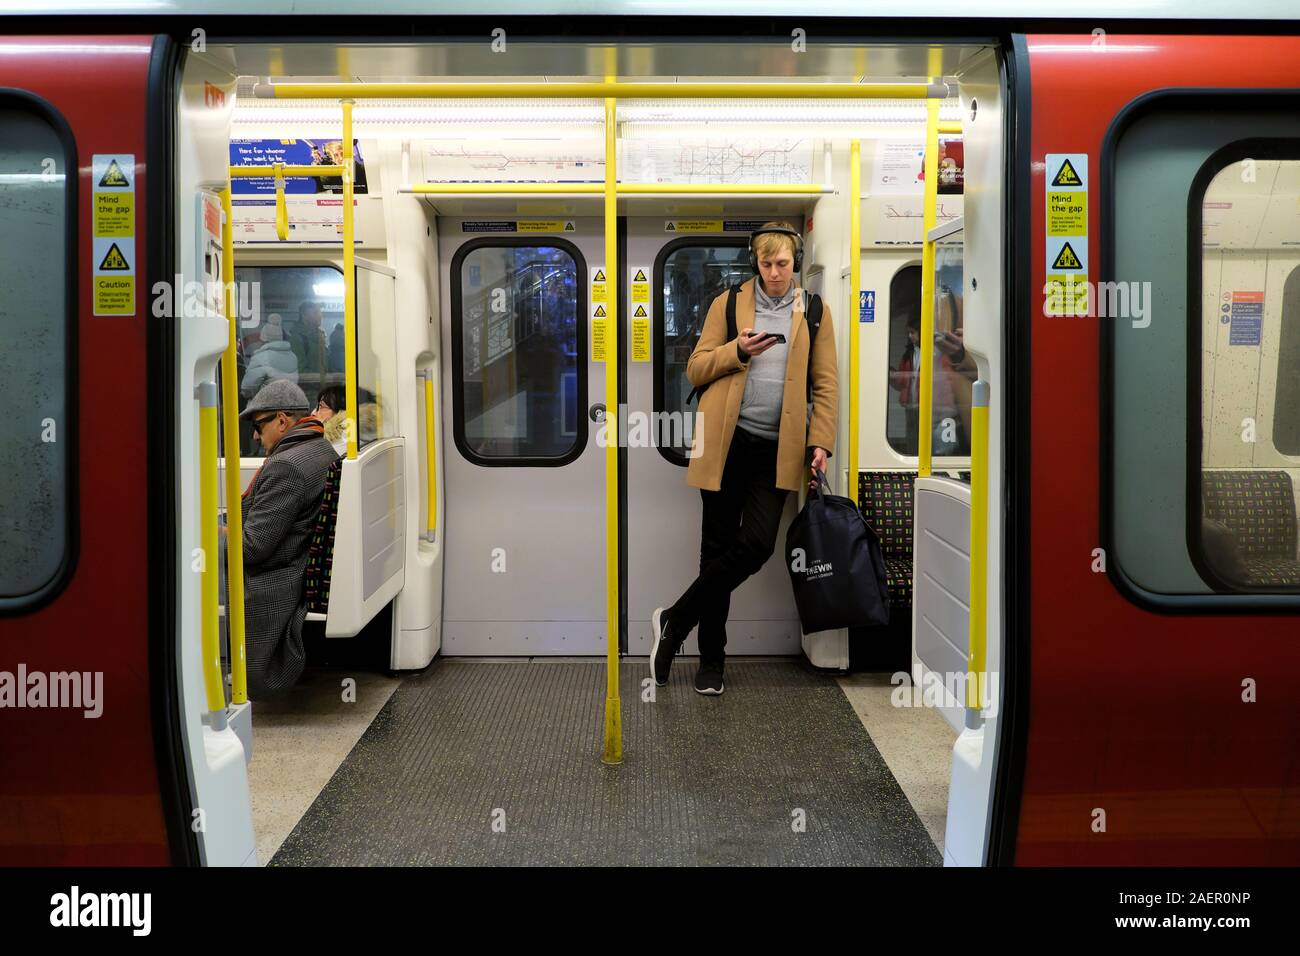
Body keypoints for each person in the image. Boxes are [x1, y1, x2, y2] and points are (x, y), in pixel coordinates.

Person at [649, 222, 837, 696]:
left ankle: (674, 619)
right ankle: (711, 661)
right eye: (766, 263)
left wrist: (822, 441)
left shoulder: (813, 311)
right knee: (715, 550)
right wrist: (737, 350)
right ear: (755, 261)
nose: (774, 273)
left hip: (778, 450)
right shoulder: (729, 304)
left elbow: (826, 384)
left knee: (755, 546)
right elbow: (696, 366)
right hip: (727, 443)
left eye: (783, 264)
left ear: (796, 262)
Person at [235, 380, 340, 698]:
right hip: (295, 560)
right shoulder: (318, 447)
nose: (255, 435)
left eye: (258, 425)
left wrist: (211, 536)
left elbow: (252, 548)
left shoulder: (286, 466)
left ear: (282, 420)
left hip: (277, 576)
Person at [889, 315, 922, 455]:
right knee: (911, 435)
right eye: (909, 333)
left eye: (913, 332)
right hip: (910, 403)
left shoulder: (934, 352)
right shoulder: (908, 354)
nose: (910, 336)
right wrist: (892, 375)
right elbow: (901, 383)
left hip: (925, 404)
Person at [240, 321, 299, 398]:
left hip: (266, 405)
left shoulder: (260, 358)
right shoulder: (293, 356)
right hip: (289, 403)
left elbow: (246, 388)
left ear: (263, 339)